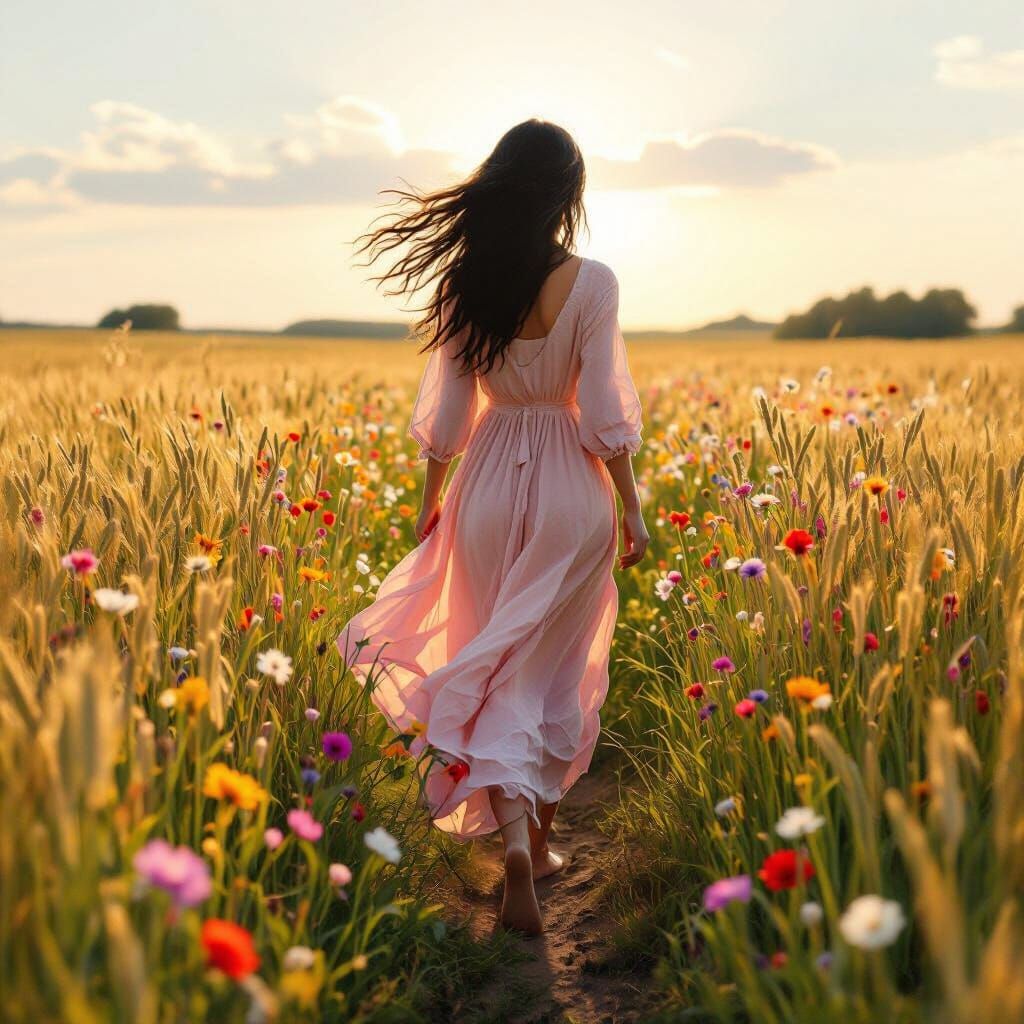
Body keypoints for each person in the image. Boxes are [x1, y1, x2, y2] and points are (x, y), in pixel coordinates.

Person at [337, 119, 648, 935]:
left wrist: (430, 496)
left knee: (494, 657)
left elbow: (447, 412)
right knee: (552, 665)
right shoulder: (594, 281)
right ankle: (534, 846)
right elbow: (605, 409)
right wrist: (633, 503)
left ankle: (520, 845)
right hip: (569, 491)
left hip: (483, 480)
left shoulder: (460, 286)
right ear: (566, 195)